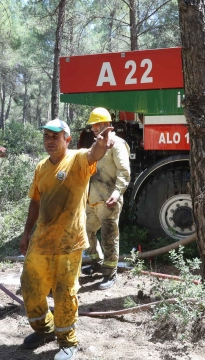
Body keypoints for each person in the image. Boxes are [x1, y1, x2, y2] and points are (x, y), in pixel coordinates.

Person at [19, 118, 114, 360]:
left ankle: (67, 340)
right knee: (30, 288)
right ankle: (44, 329)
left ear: (67, 139)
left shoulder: (78, 160)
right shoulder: (41, 167)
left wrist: (101, 145)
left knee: (64, 292)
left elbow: (94, 154)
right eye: (47, 137)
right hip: (41, 240)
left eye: (55, 136)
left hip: (69, 242)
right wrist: (27, 232)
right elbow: (35, 201)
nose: (50, 141)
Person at [82, 108, 131, 289]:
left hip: (109, 199)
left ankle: (110, 273)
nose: (94, 128)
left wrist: (117, 193)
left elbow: (124, 172)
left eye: (97, 124)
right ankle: (96, 262)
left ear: (106, 124)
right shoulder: (96, 145)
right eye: (92, 125)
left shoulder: (117, 145)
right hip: (92, 199)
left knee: (109, 236)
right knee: (86, 232)